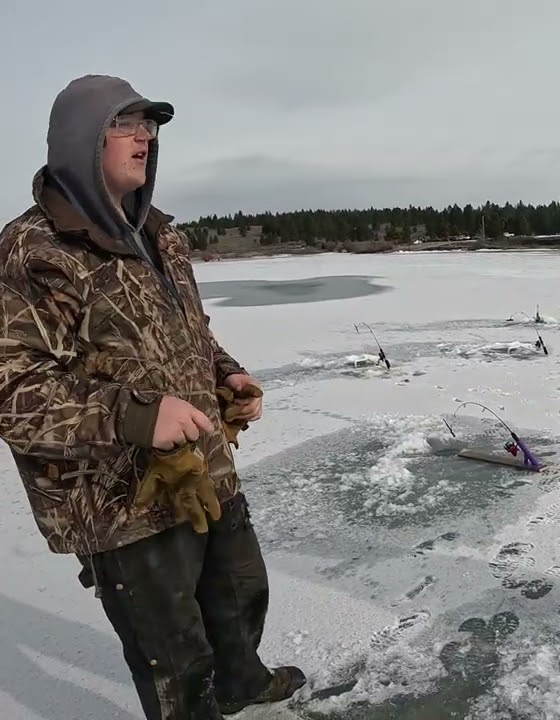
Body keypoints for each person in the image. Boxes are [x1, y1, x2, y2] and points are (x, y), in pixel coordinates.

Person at [0, 75, 305, 717]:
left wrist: (229, 376)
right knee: (174, 654)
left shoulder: (159, 233)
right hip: (118, 497)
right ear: (82, 140)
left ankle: (244, 685)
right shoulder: (33, 250)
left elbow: (189, 331)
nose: (146, 136)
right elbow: (13, 390)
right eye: (127, 123)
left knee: (241, 592)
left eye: (151, 125)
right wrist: (135, 416)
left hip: (203, 468)